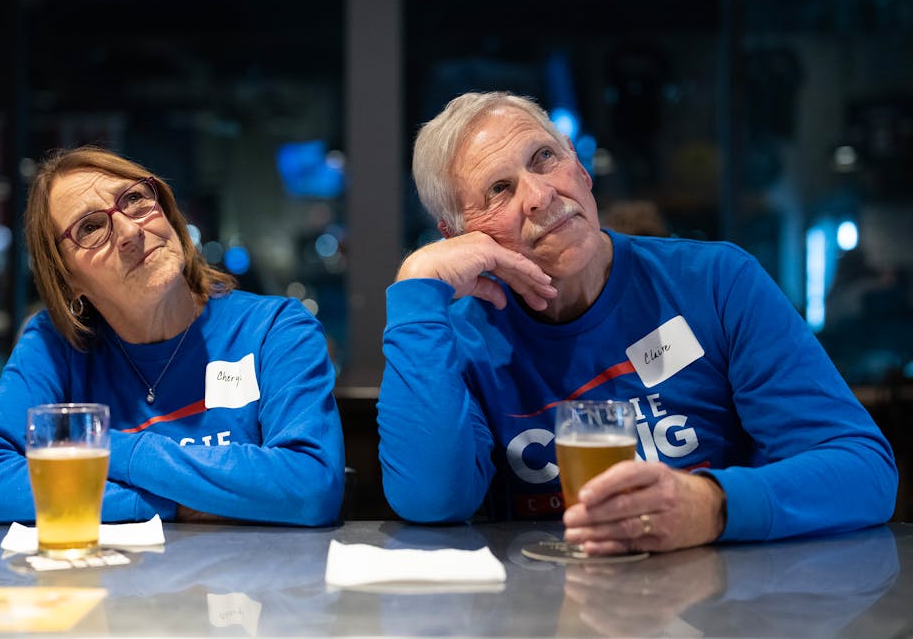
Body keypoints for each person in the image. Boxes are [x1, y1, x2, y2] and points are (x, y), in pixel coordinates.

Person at [376, 91, 897, 555]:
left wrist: (712, 505)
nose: (539, 195)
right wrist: (417, 287)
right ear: (458, 234)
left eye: (545, 158)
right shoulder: (461, 339)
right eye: (499, 190)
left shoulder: (713, 282)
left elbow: (863, 471)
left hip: (720, 600)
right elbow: (432, 501)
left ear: (579, 167)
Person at [0, 146, 345, 526]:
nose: (129, 231)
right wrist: (168, 503)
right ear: (67, 280)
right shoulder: (54, 346)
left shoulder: (274, 329)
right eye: (90, 227)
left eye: (134, 200)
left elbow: (309, 485)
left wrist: (107, 448)